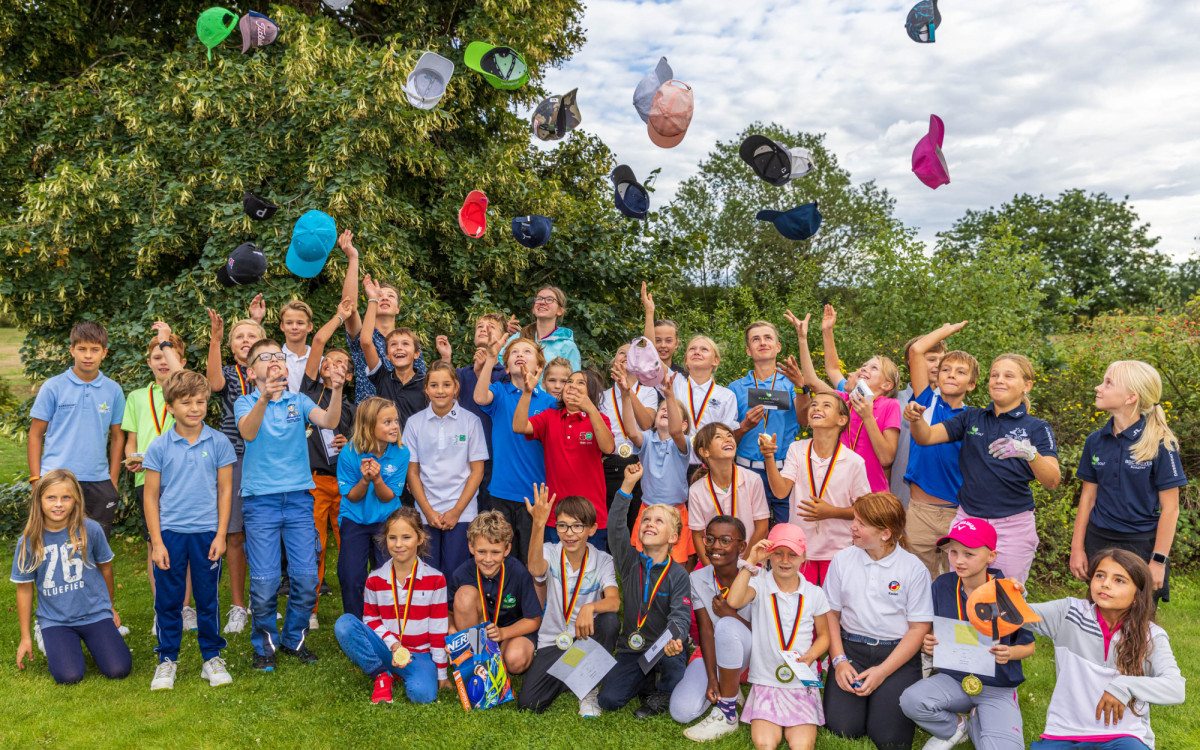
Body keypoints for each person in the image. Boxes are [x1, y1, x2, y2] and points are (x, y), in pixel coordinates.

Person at [235, 338, 346, 670]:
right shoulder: (245, 401)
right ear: (251, 370)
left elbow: (328, 420)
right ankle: (264, 646)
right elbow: (248, 433)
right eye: (264, 358)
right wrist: (265, 398)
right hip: (261, 503)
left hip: (299, 500)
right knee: (266, 580)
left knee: (305, 577)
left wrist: (338, 390)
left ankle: (293, 640)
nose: (274, 361)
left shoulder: (299, 400)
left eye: (278, 357)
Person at [908, 353, 1061, 585]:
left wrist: (1030, 454)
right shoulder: (971, 417)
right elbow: (926, 437)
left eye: (1008, 376)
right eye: (994, 375)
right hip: (968, 519)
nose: (999, 380)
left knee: (1005, 597)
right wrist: (916, 419)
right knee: (962, 591)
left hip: (1013, 526)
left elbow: (1052, 480)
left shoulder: (1037, 427)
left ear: (1027, 385)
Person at [1025, 549, 1185, 750]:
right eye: (1100, 575)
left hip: (1125, 735)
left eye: (1119, 580)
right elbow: (1016, 614)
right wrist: (1013, 594)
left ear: (1137, 595)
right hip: (1065, 732)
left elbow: (1176, 689)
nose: (1106, 583)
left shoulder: (1150, 635)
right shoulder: (1068, 613)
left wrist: (1124, 686)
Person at [899, 518, 1034, 750]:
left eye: (969, 554)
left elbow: (1028, 646)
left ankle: (981, 720)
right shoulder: (942, 585)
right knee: (911, 701)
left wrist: (1009, 652)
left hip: (996, 686)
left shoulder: (1007, 592)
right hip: (954, 679)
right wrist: (928, 642)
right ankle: (957, 726)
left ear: (991, 556)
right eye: (953, 552)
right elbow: (933, 630)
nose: (959, 561)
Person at [143, 370, 237, 691]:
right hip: (169, 534)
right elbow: (151, 496)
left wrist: (222, 534)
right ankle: (166, 659)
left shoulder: (220, 441)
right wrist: (156, 541)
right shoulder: (158, 447)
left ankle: (211, 657)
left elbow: (225, 491)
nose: (194, 408)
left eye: (200, 401)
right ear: (170, 407)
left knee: (207, 598)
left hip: (207, 534)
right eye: (186, 402)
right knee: (169, 600)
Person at [823, 492, 934, 750]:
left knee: (890, 739)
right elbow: (831, 614)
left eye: (861, 523)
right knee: (842, 729)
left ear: (885, 534)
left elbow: (919, 629)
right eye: (854, 519)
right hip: (851, 650)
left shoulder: (913, 568)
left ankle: (882, 699)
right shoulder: (842, 560)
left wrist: (883, 672)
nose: (852, 527)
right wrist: (839, 661)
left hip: (895, 655)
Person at [1071, 361, 1186, 601]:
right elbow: (1088, 497)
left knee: (1138, 621)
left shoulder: (1161, 443)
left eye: (1108, 383)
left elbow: (1171, 509)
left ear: (1130, 397)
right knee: (1099, 613)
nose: (1098, 387)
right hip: (1098, 541)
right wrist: (1077, 549)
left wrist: (1158, 560)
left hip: (1141, 544)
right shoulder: (1095, 441)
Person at [12, 469, 131, 685]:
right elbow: (24, 588)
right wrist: (25, 636)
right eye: (51, 497)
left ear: (76, 500)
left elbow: (105, 568)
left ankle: (98, 635)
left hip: (94, 613)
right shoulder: (29, 541)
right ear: (39, 500)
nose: (59, 504)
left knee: (119, 669)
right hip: (56, 619)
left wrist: (110, 607)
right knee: (69, 676)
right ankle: (44, 634)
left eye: (66, 497)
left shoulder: (91, 530)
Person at [725, 523, 831, 750]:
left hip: (801, 681)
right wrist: (750, 562)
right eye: (778, 553)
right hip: (766, 681)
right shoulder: (759, 583)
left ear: (804, 557)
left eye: (792, 555)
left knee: (802, 745)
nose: (785, 560)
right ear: (769, 554)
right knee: (765, 743)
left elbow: (824, 636)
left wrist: (812, 655)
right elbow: (733, 602)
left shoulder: (815, 593)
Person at [518, 488, 620, 716]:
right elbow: (535, 569)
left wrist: (590, 607)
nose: (569, 533)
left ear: (592, 529)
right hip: (553, 642)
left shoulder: (602, 560)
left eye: (577, 526)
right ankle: (574, 676)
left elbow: (614, 601)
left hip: (586, 639)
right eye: (562, 525)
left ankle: (588, 689)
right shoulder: (550, 552)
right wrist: (538, 523)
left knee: (610, 622)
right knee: (529, 704)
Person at [600, 464, 691, 717]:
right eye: (646, 520)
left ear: (673, 537)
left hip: (663, 648)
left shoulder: (678, 575)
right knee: (609, 700)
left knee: (674, 655)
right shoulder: (629, 563)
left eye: (659, 521)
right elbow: (616, 528)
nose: (649, 524)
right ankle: (645, 680)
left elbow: (680, 616)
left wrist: (677, 637)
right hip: (632, 647)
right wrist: (627, 486)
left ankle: (661, 692)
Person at [334, 508, 449, 705]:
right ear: (385, 540)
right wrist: (394, 645)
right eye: (392, 537)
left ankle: (403, 674)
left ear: (420, 538)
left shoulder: (436, 579)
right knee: (345, 624)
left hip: (418, 655)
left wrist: (441, 674)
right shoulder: (375, 579)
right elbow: (370, 619)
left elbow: (438, 630)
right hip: (385, 649)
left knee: (423, 695)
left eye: (406, 537)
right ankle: (381, 674)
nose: (398, 544)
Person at [760, 390, 871, 586]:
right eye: (813, 404)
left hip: (838, 551)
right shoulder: (797, 449)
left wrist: (831, 512)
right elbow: (780, 491)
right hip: (800, 551)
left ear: (842, 420)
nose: (817, 408)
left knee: (832, 608)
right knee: (802, 606)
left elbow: (865, 510)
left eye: (826, 405)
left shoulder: (854, 462)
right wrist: (769, 457)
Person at [28, 322, 126, 539]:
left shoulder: (113, 390)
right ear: (72, 350)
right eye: (82, 349)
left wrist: (113, 479)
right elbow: (35, 434)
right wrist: (36, 479)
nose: (88, 356)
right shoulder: (53, 386)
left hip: (98, 480)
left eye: (94, 350)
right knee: (55, 544)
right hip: (56, 477)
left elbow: (118, 436)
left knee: (95, 547)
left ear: (104, 353)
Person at [121, 323, 189, 632]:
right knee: (155, 542)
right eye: (156, 356)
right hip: (147, 479)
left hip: (183, 477)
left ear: (180, 361)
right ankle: (162, 609)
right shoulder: (136, 396)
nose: (162, 361)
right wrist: (131, 458)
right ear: (148, 362)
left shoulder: (185, 392)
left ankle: (185, 609)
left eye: (168, 355)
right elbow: (131, 439)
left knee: (183, 541)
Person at [902, 322, 979, 578]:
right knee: (916, 582)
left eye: (960, 372)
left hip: (956, 513)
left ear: (971, 385)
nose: (950, 374)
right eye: (945, 369)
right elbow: (916, 351)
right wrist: (946, 331)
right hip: (920, 511)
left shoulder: (973, 419)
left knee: (954, 582)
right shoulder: (925, 399)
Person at [204, 309, 264, 634]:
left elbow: (263, 352)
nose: (245, 341)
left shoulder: (269, 370)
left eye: (251, 336)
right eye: (239, 336)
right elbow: (213, 384)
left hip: (266, 457)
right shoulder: (228, 372)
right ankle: (238, 606)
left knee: (264, 532)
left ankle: (262, 600)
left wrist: (258, 321)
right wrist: (215, 337)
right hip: (235, 458)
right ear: (230, 345)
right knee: (236, 534)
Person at [473, 336, 555, 563]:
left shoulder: (549, 402)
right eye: (514, 352)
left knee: (531, 558)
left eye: (527, 351)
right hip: (501, 492)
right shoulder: (499, 391)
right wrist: (490, 359)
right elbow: (479, 397)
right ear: (507, 368)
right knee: (503, 558)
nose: (520, 354)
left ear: (539, 367)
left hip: (535, 494)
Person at [670, 516, 753, 741]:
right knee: (681, 711)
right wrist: (711, 678)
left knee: (727, 624)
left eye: (725, 540)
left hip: (753, 655)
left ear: (742, 546)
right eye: (710, 539)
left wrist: (730, 615)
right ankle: (729, 688)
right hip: (717, 655)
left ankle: (727, 709)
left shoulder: (757, 576)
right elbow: (706, 631)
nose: (715, 546)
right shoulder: (696, 578)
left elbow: (768, 635)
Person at [299, 300, 356, 629]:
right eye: (329, 362)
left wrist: (349, 443)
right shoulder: (308, 391)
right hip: (316, 482)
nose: (333, 366)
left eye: (341, 363)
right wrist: (339, 316)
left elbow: (362, 441)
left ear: (348, 375)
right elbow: (318, 342)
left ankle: (354, 607)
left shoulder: (349, 406)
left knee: (349, 546)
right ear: (320, 367)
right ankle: (312, 608)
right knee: (315, 546)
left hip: (347, 485)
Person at [515, 367, 615, 551]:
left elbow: (608, 447)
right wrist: (527, 393)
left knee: (590, 573)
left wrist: (591, 410)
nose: (572, 386)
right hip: (556, 516)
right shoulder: (549, 417)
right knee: (556, 574)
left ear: (591, 392)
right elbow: (520, 426)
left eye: (580, 383)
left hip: (591, 516)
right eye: (569, 381)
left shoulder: (599, 419)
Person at [404, 362, 488, 575]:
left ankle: (454, 610)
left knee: (456, 573)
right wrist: (428, 511)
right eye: (434, 385)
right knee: (427, 574)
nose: (440, 391)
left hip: (462, 512)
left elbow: (477, 472)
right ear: (426, 389)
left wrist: (456, 511)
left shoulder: (471, 422)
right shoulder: (414, 423)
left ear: (456, 387)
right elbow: (412, 472)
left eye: (446, 384)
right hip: (426, 512)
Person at [812, 305, 902, 493]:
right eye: (864, 365)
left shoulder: (890, 406)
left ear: (887, 385)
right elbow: (831, 371)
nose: (864, 369)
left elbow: (886, 459)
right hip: (839, 488)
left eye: (874, 368)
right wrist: (827, 331)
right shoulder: (844, 399)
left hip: (872, 493)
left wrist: (868, 417)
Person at [729, 320, 810, 525]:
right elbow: (727, 439)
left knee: (787, 534)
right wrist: (744, 426)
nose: (762, 343)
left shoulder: (791, 383)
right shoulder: (735, 388)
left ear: (778, 346)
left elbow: (804, 419)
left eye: (768, 338)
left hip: (785, 471)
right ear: (748, 350)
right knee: (748, 534)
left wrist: (801, 386)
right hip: (747, 471)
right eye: (756, 339)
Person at [336, 397, 409, 619]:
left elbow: (388, 497)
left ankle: (387, 623)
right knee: (351, 576)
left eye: (395, 421)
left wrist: (377, 479)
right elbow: (353, 496)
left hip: (387, 520)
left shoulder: (401, 453)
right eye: (387, 422)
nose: (395, 426)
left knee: (388, 574)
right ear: (368, 426)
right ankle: (356, 626)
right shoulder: (348, 453)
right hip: (354, 520)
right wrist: (365, 480)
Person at [448, 511, 543, 675]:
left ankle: (497, 663)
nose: (488, 559)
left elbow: (534, 620)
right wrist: (451, 629)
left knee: (516, 660)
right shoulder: (461, 574)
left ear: (507, 549)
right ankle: (475, 663)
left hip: (511, 634)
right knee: (464, 595)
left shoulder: (519, 572)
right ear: (471, 547)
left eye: (495, 552)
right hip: (477, 635)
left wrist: (503, 633)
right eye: (481, 551)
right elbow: (449, 612)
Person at [617, 368, 695, 565]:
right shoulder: (647, 440)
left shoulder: (682, 442)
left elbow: (675, 431)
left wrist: (669, 397)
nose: (666, 411)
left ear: (684, 425)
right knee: (644, 562)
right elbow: (630, 430)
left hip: (675, 512)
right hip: (648, 511)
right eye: (662, 409)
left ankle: (678, 596)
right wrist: (626, 396)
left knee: (677, 564)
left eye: (672, 411)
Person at [336, 230, 425, 403]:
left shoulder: (408, 343)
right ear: (373, 302)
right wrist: (353, 259)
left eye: (390, 296)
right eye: (380, 295)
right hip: (366, 418)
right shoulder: (362, 337)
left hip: (403, 418)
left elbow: (422, 382)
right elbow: (348, 306)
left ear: (398, 308)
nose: (384, 297)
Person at [435, 312, 510, 512]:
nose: (484, 329)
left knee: (487, 514)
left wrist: (481, 373)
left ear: (503, 339)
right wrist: (446, 358)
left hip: (492, 459)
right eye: (479, 326)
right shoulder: (461, 373)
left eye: (491, 327)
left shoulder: (506, 375)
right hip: (460, 456)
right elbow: (443, 403)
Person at [688, 423, 770, 565]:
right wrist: (711, 569)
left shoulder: (753, 480)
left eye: (730, 435)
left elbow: (762, 528)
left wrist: (744, 565)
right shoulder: (696, 490)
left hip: (750, 558)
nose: (727, 439)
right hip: (714, 560)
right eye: (718, 437)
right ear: (705, 452)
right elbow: (698, 535)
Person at [599, 343, 658, 526]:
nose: (625, 355)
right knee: (611, 519)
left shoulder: (649, 392)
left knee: (634, 521)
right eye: (621, 353)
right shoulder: (602, 396)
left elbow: (646, 423)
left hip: (639, 463)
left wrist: (627, 390)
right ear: (613, 361)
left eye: (632, 353)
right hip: (610, 465)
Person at [361, 274, 427, 433]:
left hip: (418, 450)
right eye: (393, 345)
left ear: (417, 354)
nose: (399, 348)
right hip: (387, 449)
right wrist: (372, 299)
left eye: (405, 344)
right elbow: (365, 342)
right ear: (387, 356)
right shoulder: (382, 377)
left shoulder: (425, 383)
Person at [659, 337, 738, 467]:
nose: (697, 352)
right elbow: (650, 359)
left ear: (715, 361)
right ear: (686, 361)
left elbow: (726, 436)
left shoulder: (726, 396)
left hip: (710, 464)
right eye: (692, 349)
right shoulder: (675, 382)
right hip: (673, 463)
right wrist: (650, 316)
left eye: (704, 349)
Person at [890, 334, 947, 506]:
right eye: (931, 359)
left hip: (936, 503)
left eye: (942, 359)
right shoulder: (893, 402)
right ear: (912, 362)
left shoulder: (953, 405)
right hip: (895, 498)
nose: (938, 364)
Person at [502, 285, 582, 377]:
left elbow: (574, 381)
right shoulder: (518, 338)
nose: (542, 302)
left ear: (560, 311)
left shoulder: (568, 346)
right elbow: (498, 365)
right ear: (533, 309)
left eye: (549, 299)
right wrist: (501, 333)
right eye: (539, 299)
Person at [640, 281, 685, 375]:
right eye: (657, 340)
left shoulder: (683, 375)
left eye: (668, 341)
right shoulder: (643, 374)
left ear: (676, 343)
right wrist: (649, 311)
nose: (663, 345)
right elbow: (649, 347)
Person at [277, 300, 314, 393]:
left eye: (300, 323)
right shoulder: (274, 359)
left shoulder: (319, 360)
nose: (294, 327)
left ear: (309, 327)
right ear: (282, 326)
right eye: (289, 323)